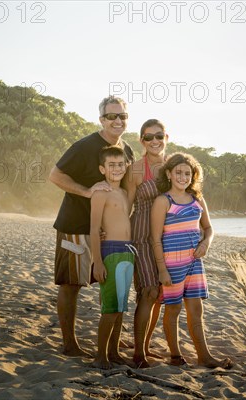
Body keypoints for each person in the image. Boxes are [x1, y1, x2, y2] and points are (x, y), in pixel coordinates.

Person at [49, 96, 134, 357]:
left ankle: (110, 343)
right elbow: (55, 175)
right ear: (102, 120)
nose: (118, 121)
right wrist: (87, 192)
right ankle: (69, 344)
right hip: (75, 225)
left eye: (122, 116)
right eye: (112, 116)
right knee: (71, 285)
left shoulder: (127, 150)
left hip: (107, 234)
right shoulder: (85, 146)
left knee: (107, 285)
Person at [150, 153, 233, 369]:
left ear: (193, 176)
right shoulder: (163, 201)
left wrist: (206, 244)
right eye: (178, 172)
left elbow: (208, 228)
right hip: (171, 264)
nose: (183, 177)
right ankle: (175, 355)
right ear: (169, 174)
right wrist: (162, 270)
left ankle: (204, 356)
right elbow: (155, 238)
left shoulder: (197, 199)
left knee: (196, 310)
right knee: (173, 309)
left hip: (194, 263)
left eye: (188, 173)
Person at [123, 119, 168, 368]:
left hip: (166, 236)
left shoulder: (174, 168)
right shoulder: (136, 170)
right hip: (141, 234)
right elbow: (127, 204)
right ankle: (138, 354)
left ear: (166, 137)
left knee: (160, 294)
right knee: (148, 291)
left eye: (158, 136)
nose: (154, 141)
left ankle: (146, 346)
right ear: (141, 140)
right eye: (148, 137)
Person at [90, 146, 135, 369]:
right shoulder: (101, 193)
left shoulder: (125, 194)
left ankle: (114, 352)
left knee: (120, 307)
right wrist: (97, 262)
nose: (117, 168)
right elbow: (93, 229)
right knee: (109, 308)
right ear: (102, 168)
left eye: (120, 164)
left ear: (126, 166)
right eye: (111, 165)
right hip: (111, 252)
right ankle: (100, 357)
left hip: (128, 252)